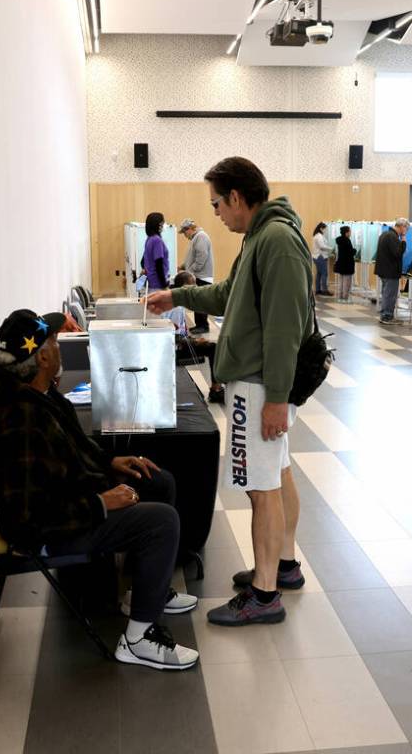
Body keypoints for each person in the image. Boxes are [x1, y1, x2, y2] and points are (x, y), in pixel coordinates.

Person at [0, 308, 200, 670]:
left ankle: (144, 593)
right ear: (43, 356)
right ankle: (138, 638)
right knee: (162, 521)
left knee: (157, 481)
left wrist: (110, 464)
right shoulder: (20, 423)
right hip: (54, 531)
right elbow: (29, 519)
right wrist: (100, 503)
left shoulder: (41, 396)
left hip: (73, 500)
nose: (60, 347)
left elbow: (74, 448)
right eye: (54, 341)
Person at [146, 156, 310, 627]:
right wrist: (176, 297)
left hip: (261, 386)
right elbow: (226, 295)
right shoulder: (260, 238)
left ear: (237, 197)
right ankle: (283, 565)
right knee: (276, 476)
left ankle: (264, 594)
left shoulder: (275, 241)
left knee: (261, 489)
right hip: (261, 382)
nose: (215, 212)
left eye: (217, 203)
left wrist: (276, 398)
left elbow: (284, 328)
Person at [164, 271, 225, 404]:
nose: (197, 286)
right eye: (194, 284)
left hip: (176, 344)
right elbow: (172, 337)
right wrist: (194, 341)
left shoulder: (173, 301)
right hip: (173, 350)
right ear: (185, 286)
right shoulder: (176, 307)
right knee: (212, 348)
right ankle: (216, 389)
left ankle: (217, 386)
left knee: (209, 345)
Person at [179, 219, 214, 333]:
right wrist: (182, 267)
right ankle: (199, 324)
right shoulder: (196, 238)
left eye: (184, 232)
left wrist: (190, 272)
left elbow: (201, 258)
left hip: (202, 276)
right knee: (196, 301)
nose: (184, 235)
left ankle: (203, 326)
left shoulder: (201, 237)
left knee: (201, 302)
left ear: (190, 229)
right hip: (198, 275)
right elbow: (192, 258)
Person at [375, 219, 408, 324]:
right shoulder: (392, 237)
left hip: (384, 270)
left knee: (386, 293)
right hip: (390, 271)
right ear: (402, 227)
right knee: (390, 294)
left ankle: (384, 314)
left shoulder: (385, 234)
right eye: (406, 228)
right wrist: (403, 241)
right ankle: (387, 316)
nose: (406, 231)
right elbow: (398, 253)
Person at [141, 212, 170, 291]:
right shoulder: (157, 240)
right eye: (162, 223)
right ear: (158, 225)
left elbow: (142, 262)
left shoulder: (149, 239)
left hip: (151, 282)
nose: (163, 225)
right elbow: (158, 264)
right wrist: (164, 284)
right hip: (158, 285)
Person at [334, 225, 356, 301]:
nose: (350, 233)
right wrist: (354, 251)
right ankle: (345, 297)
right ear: (346, 233)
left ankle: (340, 296)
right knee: (347, 282)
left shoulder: (339, 241)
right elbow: (350, 252)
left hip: (341, 263)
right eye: (349, 231)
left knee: (341, 281)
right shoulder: (347, 241)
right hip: (347, 264)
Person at [311, 222, 334, 296]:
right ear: (321, 228)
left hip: (318, 256)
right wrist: (331, 249)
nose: (325, 230)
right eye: (325, 229)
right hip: (320, 256)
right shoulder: (319, 236)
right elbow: (322, 246)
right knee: (324, 273)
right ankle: (325, 290)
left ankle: (318, 290)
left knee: (319, 274)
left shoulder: (318, 235)